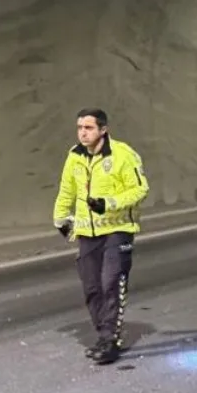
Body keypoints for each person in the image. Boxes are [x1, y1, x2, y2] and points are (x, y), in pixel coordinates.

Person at [53, 108, 150, 365]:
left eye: (88, 128)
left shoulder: (122, 154)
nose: (83, 133)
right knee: (92, 288)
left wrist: (109, 203)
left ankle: (110, 340)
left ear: (103, 129)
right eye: (80, 128)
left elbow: (140, 189)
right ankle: (103, 335)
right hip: (87, 232)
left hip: (117, 230)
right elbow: (67, 189)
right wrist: (60, 218)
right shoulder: (74, 156)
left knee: (111, 283)